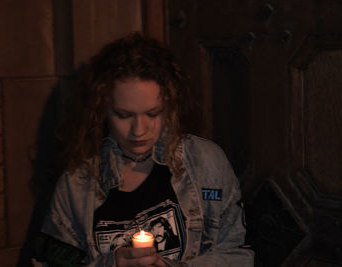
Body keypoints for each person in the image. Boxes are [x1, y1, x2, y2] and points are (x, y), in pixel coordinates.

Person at [37, 32, 254, 266]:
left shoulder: (205, 162)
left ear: (169, 106)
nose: (139, 131)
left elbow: (238, 255)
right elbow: (47, 262)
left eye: (153, 114)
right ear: (102, 111)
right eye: (123, 115)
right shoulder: (77, 182)